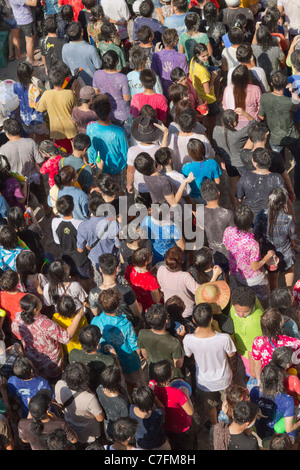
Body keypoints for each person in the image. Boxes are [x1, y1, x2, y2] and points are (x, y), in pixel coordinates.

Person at [183, 303, 237, 425]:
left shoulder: (188, 339)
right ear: (212, 319)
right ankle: (228, 424)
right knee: (227, 403)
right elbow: (231, 354)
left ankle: (215, 424)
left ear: (194, 320)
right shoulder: (224, 338)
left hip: (205, 382)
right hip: (224, 379)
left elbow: (188, 355)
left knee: (210, 406)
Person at [11, 293, 86, 381]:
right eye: (38, 300)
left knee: (40, 377)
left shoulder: (18, 319)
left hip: (32, 358)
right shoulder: (45, 323)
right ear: (35, 310)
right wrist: (78, 316)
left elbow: (15, 331)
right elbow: (66, 338)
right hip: (51, 362)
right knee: (55, 380)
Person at [257, 70, 300, 198]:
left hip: (275, 138)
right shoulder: (288, 102)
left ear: (271, 83)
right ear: (285, 83)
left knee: (278, 165)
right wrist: (292, 90)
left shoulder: (265, 97)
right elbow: (297, 102)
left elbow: (260, 116)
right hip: (292, 136)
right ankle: (297, 191)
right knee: (298, 161)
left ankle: (281, 191)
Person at [91, 288, 142, 389]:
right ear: (118, 306)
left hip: (107, 362)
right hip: (128, 363)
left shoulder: (95, 321)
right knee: (132, 385)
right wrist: (139, 357)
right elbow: (134, 345)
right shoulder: (126, 324)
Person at [222, 204, 273, 306]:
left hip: (237, 274)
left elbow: (227, 247)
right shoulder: (253, 244)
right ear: (250, 222)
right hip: (254, 279)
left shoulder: (228, 231)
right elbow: (255, 267)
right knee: (262, 299)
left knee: (245, 299)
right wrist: (268, 256)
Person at [254, 187, 297, 291]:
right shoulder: (288, 219)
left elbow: (257, 235)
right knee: (289, 269)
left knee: (273, 277)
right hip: (286, 253)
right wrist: (293, 243)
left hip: (269, 254)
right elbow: (292, 237)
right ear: (284, 203)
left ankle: (274, 295)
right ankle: (289, 292)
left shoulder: (261, 214)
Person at [250, 361, 300, 447]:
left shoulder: (254, 391)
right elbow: (289, 429)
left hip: (261, 431)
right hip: (279, 437)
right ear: (279, 381)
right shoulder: (287, 400)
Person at [54, 362, 104, 446]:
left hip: (70, 427)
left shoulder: (60, 385)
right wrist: (90, 414)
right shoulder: (89, 398)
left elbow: (59, 403)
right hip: (88, 431)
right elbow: (100, 418)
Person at [149, 359, 195, 450]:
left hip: (165, 425)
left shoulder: (152, 386)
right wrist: (186, 394)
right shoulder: (178, 393)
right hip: (182, 427)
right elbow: (190, 412)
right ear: (169, 375)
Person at [34, 63, 78, 155]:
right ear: (65, 79)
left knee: (63, 154)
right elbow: (75, 109)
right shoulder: (69, 94)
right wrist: (73, 89)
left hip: (57, 132)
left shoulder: (47, 94)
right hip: (72, 130)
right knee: (75, 153)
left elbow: (40, 108)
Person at [86, 94, 128, 188]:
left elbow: (91, 150)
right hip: (117, 170)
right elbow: (125, 154)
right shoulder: (119, 132)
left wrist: (93, 164)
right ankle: (121, 203)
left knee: (103, 192)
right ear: (110, 110)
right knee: (119, 193)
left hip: (99, 169)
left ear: (96, 111)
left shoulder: (90, 127)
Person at [88, 252, 141, 325]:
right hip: (127, 326)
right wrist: (140, 305)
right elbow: (137, 313)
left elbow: (95, 313)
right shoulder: (126, 290)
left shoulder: (93, 293)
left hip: (106, 327)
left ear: (100, 269)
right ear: (117, 268)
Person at [251, 307, 300, 386]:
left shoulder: (257, 342)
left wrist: (259, 382)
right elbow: (298, 362)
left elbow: (257, 366)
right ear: (280, 324)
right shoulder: (294, 343)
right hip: (286, 376)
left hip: (268, 377)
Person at [51, 195, 91, 290]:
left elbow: (57, 241)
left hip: (65, 257)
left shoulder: (54, 222)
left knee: (72, 277)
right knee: (84, 278)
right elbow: (86, 243)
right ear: (73, 207)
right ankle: (85, 295)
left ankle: (76, 293)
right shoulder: (81, 223)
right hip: (80, 258)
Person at [138, 303, 185, 379]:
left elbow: (145, 355)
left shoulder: (142, 333)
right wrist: (180, 338)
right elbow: (178, 364)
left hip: (154, 373)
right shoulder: (174, 342)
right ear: (166, 320)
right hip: (171, 376)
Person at [236, 148, 285, 218]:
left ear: (254, 162)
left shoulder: (245, 177)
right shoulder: (277, 178)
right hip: (271, 217)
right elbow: (283, 201)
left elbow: (239, 199)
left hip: (249, 218)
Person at [229, 286, 264, 380]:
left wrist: (252, 369)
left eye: (245, 312)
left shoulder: (255, 322)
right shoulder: (245, 300)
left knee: (251, 375)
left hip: (248, 356)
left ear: (252, 306)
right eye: (237, 310)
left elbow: (252, 350)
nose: (240, 314)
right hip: (240, 347)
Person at [200, 179, 234, 275]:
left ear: (203, 196)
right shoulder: (228, 214)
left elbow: (201, 228)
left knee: (217, 274)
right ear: (218, 193)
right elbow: (233, 234)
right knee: (226, 274)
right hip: (228, 252)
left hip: (213, 252)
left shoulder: (200, 212)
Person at [68, 325, 115, 392]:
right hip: (99, 391)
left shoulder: (73, 353)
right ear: (98, 343)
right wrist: (114, 355)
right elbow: (118, 375)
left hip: (81, 389)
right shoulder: (108, 361)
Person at [157, 246, 199, 319]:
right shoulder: (185, 276)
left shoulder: (161, 270)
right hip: (186, 314)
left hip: (169, 312)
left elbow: (161, 288)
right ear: (182, 260)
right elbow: (200, 291)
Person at [13, 62, 48, 143]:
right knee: (42, 136)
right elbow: (41, 100)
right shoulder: (34, 87)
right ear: (31, 73)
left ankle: (33, 148)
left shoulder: (16, 86)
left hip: (25, 118)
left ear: (18, 75)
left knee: (31, 135)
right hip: (37, 117)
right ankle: (45, 148)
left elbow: (17, 95)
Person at [181, 137, 222, 204]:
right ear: (203, 150)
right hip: (209, 196)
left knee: (198, 214)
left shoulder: (186, 167)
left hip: (193, 198)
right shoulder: (212, 162)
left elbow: (184, 185)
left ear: (190, 153)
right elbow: (217, 181)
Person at [129, 385, 171, 450]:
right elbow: (162, 407)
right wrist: (155, 398)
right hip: (159, 444)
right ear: (152, 402)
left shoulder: (131, 409)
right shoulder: (158, 414)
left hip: (142, 445)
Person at [151, 28, 189, 98]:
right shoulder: (182, 57)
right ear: (172, 43)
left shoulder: (156, 56)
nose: (178, 39)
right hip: (178, 93)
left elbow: (154, 74)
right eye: (177, 39)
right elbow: (185, 77)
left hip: (162, 91)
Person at [222, 64, 262, 130]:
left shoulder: (227, 89)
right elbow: (260, 109)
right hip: (252, 124)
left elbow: (225, 107)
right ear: (247, 77)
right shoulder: (256, 89)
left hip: (234, 124)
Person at [96, 365, 129, 441]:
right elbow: (125, 422)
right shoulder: (122, 403)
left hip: (107, 424)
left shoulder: (99, 389)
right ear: (119, 381)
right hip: (118, 429)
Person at [125, 246, 162, 311]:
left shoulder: (129, 268)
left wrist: (150, 272)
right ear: (146, 262)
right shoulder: (151, 279)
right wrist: (161, 291)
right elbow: (156, 299)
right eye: (151, 256)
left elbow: (133, 282)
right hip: (151, 306)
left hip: (139, 302)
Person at [8, 0, 42, 66]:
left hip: (21, 18)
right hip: (25, 20)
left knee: (30, 40)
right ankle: (32, 61)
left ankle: (29, 55)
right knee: (30, 41)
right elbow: (33, 3)